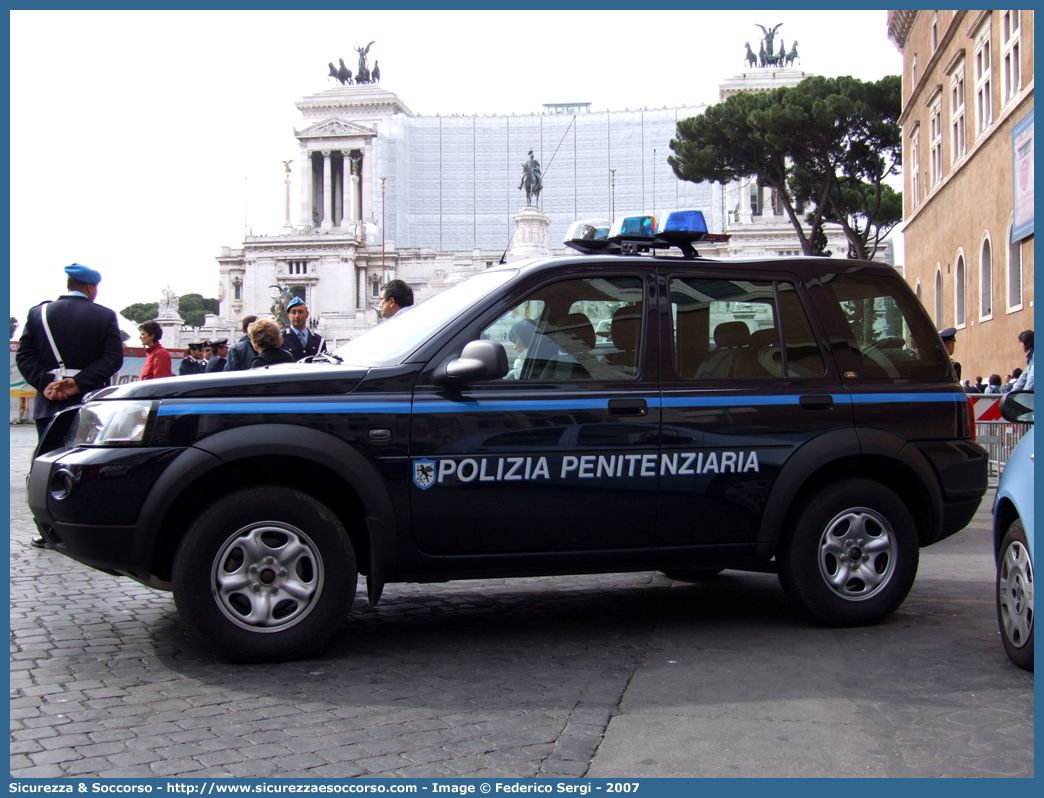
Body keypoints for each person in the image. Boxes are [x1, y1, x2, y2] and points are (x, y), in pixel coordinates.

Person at [16, 263, 124, 548]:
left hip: (48, 402)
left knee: (45, 464)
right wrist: (79, 383)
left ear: (69, 284)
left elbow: (25, 356)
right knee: (90, 465)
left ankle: (46, 529)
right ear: (90, 287)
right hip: (89, 403)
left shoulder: (38, 313)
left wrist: (46, 383)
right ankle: (89, 528)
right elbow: (113, 360)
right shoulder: (103, 315)